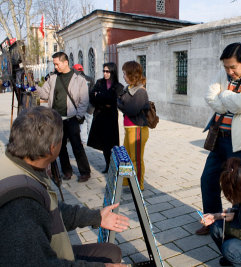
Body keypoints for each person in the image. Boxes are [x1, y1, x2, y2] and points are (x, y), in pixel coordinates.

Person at [0, 106, 130, 266]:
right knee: (109, 258)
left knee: (112, 251)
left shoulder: (20, 164)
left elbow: (50, 210)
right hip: (45, 257)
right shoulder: (21, 203)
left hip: (46, 246)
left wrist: (96, 217)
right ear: (52, 148)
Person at [196, 42, 241, 235]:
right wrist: (230, 102)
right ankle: (213, 222)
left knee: (240, 185)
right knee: (208, 180)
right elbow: (209, 96)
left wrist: (224, 94)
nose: (229, 71)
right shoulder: (223, 74)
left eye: (233, 67)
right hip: (219, 137)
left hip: (240, 142)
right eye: (226, 67)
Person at [37, 52, 91, 183]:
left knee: (77, 146)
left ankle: (85, 172)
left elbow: (84, 100)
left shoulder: (79, 78)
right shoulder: (53, 77)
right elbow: (44, 95)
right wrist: (36, 87)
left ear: (65, 62)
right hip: (56, 119)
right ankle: (67, 171)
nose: (55, 67)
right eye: (54, 64)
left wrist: (78, 116)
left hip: (72, 118)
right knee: (60, 148)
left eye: (57, 64)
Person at [117, 61, 150, 190]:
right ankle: (126, 182)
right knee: (126, 157)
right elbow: (123, 103)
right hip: (129, 129)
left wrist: (119, 103)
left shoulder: (140, 91)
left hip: (138, 129)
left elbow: (131, 110)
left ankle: (138, 185)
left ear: (132, 75)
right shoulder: (128, 89)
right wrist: (121, 103)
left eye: (125, 74)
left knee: (136, 159)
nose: (123, 76)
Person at [87, 63, 124, 173]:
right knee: (103, 143)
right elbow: (91, 97)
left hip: (111, 117)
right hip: (99, 116)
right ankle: (108, 164)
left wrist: (99, 96)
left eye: (107, 71)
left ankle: (115, 164)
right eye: (104, 71)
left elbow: (113, 100)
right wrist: (102, 98)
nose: (105, 73)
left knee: (112, 142)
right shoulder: (99, 82)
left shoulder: (118, 86)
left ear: (112, 72)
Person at [72, 64, 95, 144]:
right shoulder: (90, 79)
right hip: (90, 106)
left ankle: (84, 140)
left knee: (82, 123)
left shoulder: (75, 80)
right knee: (90, 122)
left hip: (80, 105)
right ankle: (91, 140)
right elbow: (92, 92)